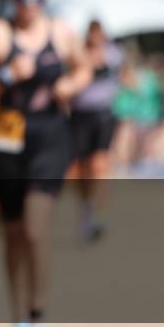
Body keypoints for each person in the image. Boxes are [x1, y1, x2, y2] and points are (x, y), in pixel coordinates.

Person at [0, 0, 91, 327]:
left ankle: (38, 316)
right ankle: (18, 319)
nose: (30, 5)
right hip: (7, 137)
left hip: (51, 136)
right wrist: (6, 75)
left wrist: (71, 85)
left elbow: (85, 68)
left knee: (36, 228)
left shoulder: (62, 33)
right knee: (14, 232)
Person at [68, 20, 122, 243]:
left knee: (100, 164)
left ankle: (99, 212)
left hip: (104, 115)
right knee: (82, 167)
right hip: (80, 115)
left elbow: (119, 71)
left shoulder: (114, 54)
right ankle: (86, 207)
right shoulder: (78, 52)